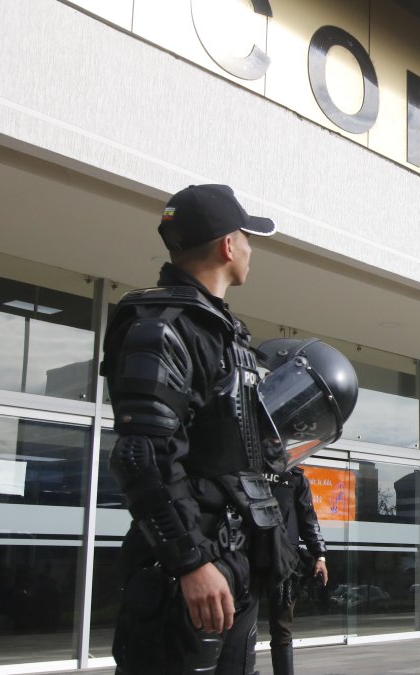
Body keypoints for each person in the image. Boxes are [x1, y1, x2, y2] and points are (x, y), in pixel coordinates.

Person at [102, 184, 291, 674]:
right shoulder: (162, 326)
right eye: (247, 236)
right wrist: (190, 562)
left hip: (231, 569)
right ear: (229, 245)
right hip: (187, 578)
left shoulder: (222, 331)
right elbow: (140, 456)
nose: (252, 249)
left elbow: (230, 454)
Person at [266, 466, 329, 675]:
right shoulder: (246, 465)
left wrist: (319, 555)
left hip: (284, 560)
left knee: (282, 628)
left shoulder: (294, 477)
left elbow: (308, 518)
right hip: (246, 555)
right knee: (236, 622)